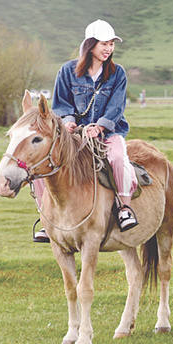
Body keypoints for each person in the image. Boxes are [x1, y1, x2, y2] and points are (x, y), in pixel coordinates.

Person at [33, 19, 137, 242]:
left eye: (111, 44)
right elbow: (61, 103)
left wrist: (100, 126)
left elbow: (117, 106)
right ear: (90, 45)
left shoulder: (118, 73)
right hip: (74, 134)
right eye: (104, 44)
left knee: (118, 157)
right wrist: (68, 121)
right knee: (43, 164)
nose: (109, 49)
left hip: (108, 131)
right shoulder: (67, 71)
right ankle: (45, 219)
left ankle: (124, 208)